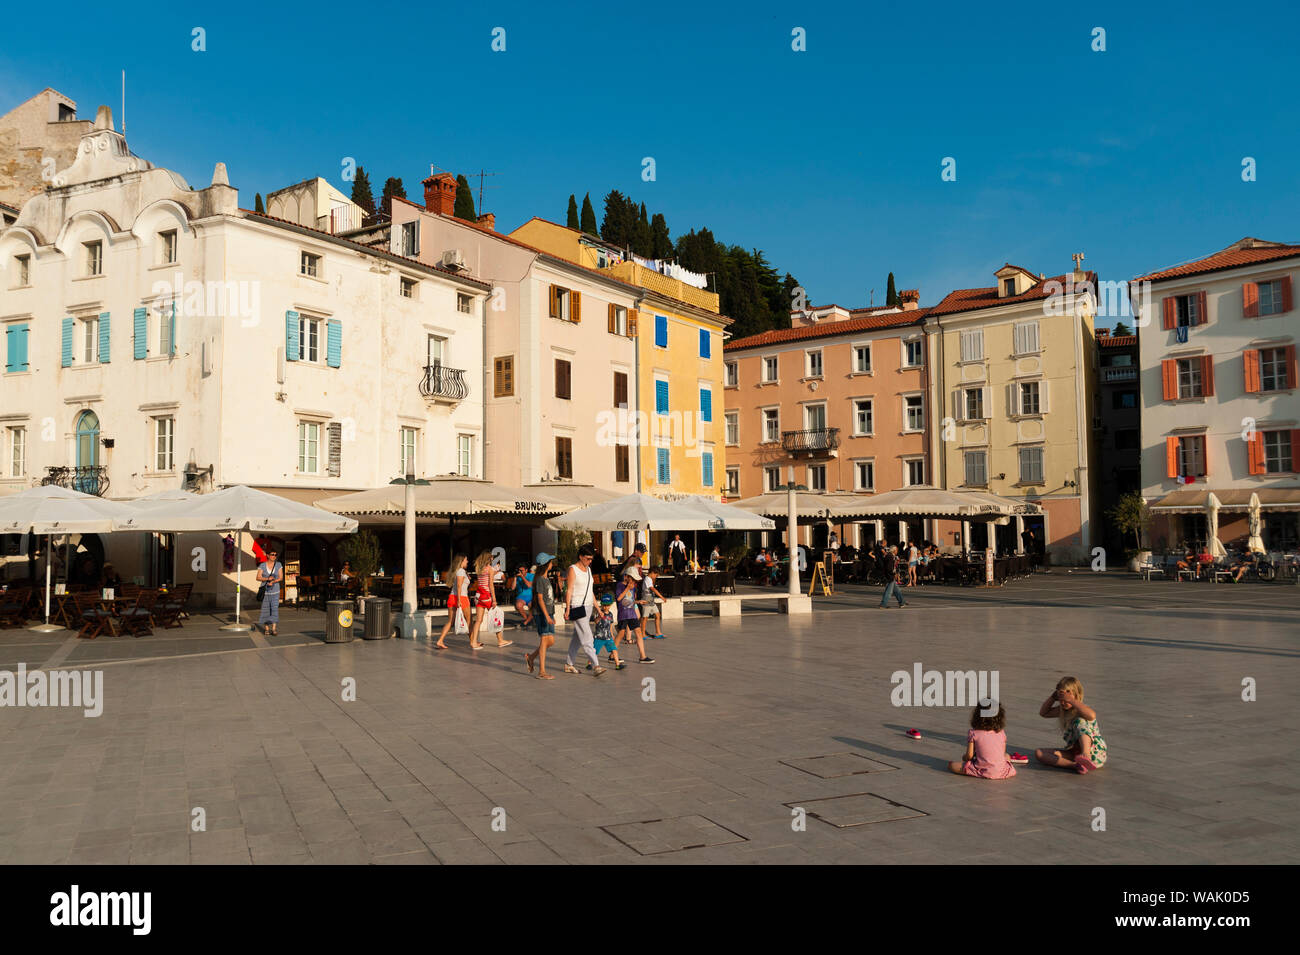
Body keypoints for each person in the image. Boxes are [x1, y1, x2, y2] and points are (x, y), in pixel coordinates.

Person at [1035, 676, 1107, 774]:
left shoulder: (1081, 710)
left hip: (1094, 753)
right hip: (1075, 754)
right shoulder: (1063, 710)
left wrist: (1071, 700)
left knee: (1080, 722)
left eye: (1066, 700)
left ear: (1077, 695)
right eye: (1061, 700)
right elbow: (1044, 713)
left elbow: (1092, 715)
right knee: (1039, 753)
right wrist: (1053, 697)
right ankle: (1075, 765)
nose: (1063, 702)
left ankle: (1086, 755)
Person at [948, 700, 1016, 779]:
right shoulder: (1001, 733)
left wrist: (964, 757)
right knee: (1007, 755)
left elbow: (969, 756)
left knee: (953, 765)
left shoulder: (974, 733)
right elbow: (1002, 753)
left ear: (977, 716)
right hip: (1002, 771)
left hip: (983, 770)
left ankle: (981, 771)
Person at [562, 544, 603, 676]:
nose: (590, 562)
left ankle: (569, 664)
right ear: (580, 556)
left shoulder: (589, 570)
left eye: (591, 559)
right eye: (588, 559)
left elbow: (590, 592)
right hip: (577, 606)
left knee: (577, 638)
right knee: (587, 637)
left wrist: (599, 609)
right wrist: (567, 609)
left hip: (589, 606)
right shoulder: (572, 569)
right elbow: (569, 590)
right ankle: (596, 665)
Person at [524, 553, 557, 679]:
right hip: (542, 614)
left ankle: (531, 657)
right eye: (550, 561)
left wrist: (551, 615)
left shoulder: (546, 579)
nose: (552, 564)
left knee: (550, 641)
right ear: (545, 564)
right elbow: (540, 599)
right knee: (544, 640)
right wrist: (546, 616)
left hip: (548, 613)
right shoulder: (539, 580)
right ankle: (541, 672)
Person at [617, 565, 654, 664]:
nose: (634, 582)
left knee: (638, 632)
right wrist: (627, 588)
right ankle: (613, 655)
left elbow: (631, 600)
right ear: (627, 577)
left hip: (631, 613)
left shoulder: (633, 588)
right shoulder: (620, 585)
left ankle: (643, 656)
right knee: (620, 634)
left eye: (635, 580)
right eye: (632, 579)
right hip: (623, 614)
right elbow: (619, 599)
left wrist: (638, 602)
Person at [435, 553, 469, 650]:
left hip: (452, 597)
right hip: (461, 597)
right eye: (466, 560)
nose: (467, 561)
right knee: (469, 621)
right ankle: (473, 641)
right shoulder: (461, 571)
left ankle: (440, 640)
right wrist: (459, 600)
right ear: (461, 561)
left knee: (450, 621)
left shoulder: (458, 571)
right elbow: (459, 586)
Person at [590, 594, 626, 670]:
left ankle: (617, 665)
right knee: (594, 652)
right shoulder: (598, 612)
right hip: (599, 637)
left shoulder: (610, 614)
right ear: (602, 605)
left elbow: (610, 625)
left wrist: (612, 634)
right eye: (604, 605)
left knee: (614, 649)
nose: (605, 607)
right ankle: (589, 663)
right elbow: (596, 622)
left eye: (607, 605)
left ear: (610, 605)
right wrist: (600, 617)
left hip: (608, 637)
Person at [256, 547, 284, 636]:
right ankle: (267, 629)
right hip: (265, 592)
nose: (274, 556)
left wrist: (273, 581)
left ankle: (274, 629)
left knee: (274, 609)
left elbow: (281, 577)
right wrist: (267, 578)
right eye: (272, 554)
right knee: (266, 610)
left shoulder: (278, 564)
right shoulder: (262, 565)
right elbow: (258, 577)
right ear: (268, 555)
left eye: (275, 555)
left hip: (275, 591)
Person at [639, 566, 666, 641]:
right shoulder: (647, 579)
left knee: (657, 615)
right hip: (646, 600)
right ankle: (642, 634)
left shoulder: (650, 579)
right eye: (656, 575)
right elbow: (652, 589)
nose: (656, 577)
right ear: (652, 573)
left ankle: (658, 632)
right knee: (645, 617)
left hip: (651, 600)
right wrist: (661, 597)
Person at [877, 545, 908, 609]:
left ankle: (902, 602)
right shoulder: (890, 556)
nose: (897, 551)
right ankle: (883, 604)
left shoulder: (890, 556)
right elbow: (889, 568)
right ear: (894, 550)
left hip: (890, 575)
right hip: (890, 576)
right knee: (889, 592)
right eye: (896, 550)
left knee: (897, 590)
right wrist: (893, 574)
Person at [512, 563, 535, 630]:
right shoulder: (517, 577)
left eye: (522, 570)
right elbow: (513, 588)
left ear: (526, 570)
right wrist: (515, 578)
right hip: (521, 596)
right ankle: (527, 620)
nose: (520, 572)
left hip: (531, 596)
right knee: (518, 605)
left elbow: (529, 585)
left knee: (533, 607)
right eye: (519, 570)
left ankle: (526, 622)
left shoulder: (531, 576)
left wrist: (522, 577)